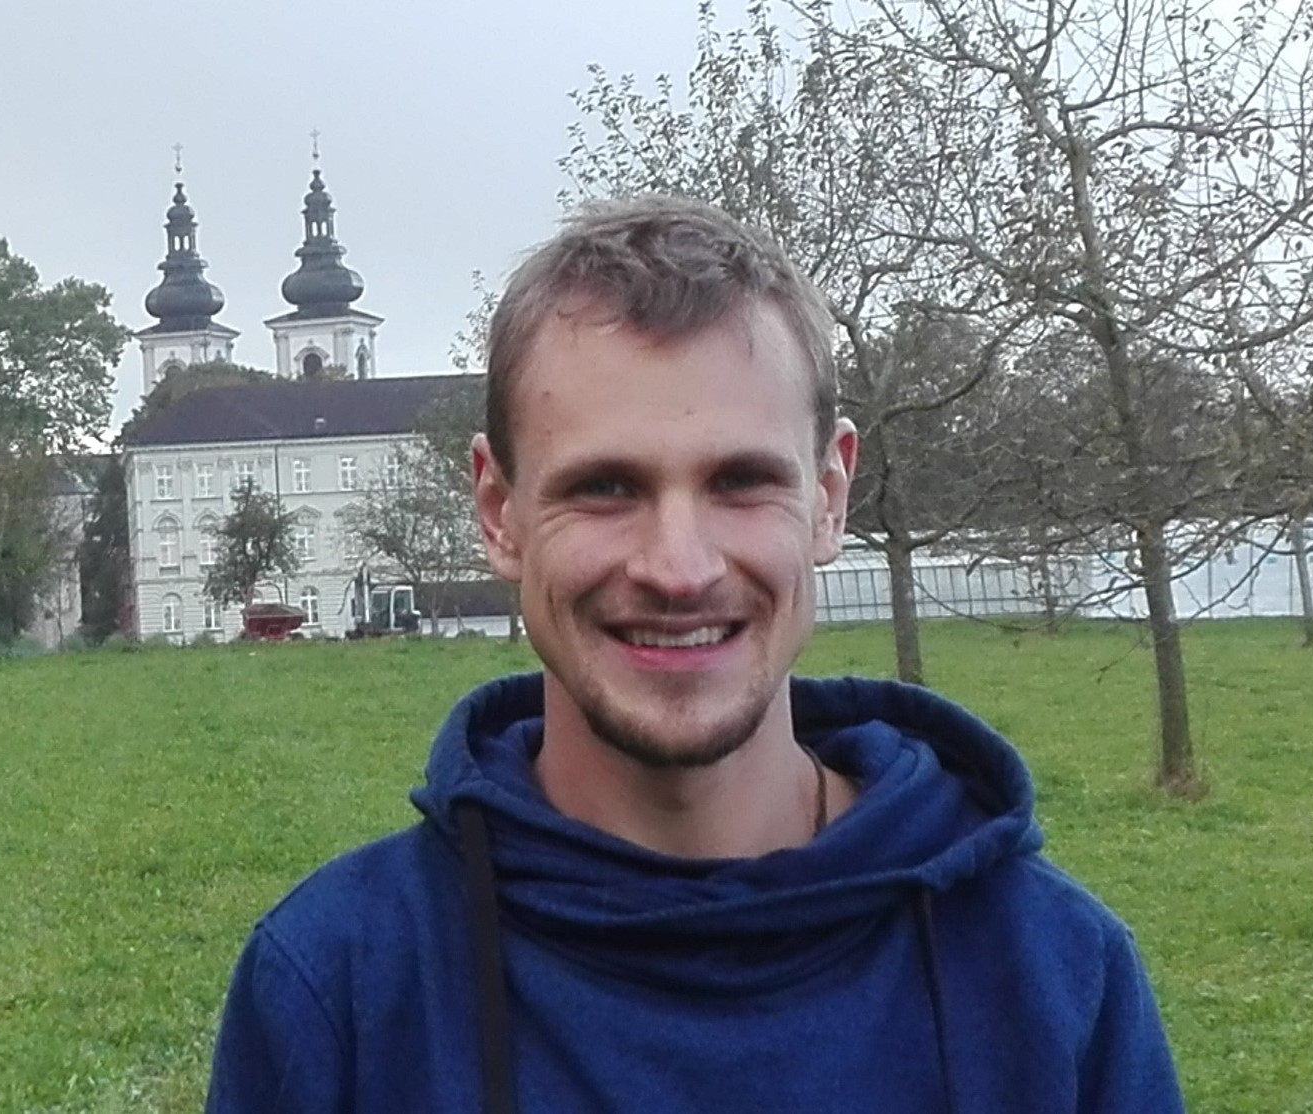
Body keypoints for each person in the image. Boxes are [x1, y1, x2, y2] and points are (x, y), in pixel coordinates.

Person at [205, 196, 1184, 1113]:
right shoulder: (339, 986)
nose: (679, 568)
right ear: (499, 511)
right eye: (605, 488)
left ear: (831, 495)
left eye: (740, 481)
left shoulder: (1054, 975)